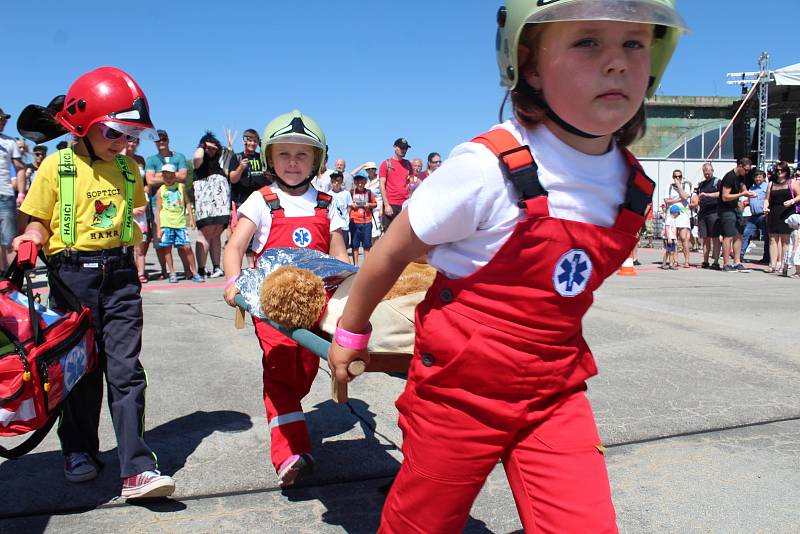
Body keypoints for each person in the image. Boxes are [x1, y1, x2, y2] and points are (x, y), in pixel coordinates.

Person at [327, 2, 686, 532]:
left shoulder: (633, 189)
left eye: (634, 43)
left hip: (555, 393)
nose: (616, 63)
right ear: (530, 66)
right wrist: (351, 333)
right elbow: (390, 251)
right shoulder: (485, 169)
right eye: (588, 42)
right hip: (457, 395)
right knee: (420, 524)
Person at [12, 66, 175, 499]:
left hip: (121, 279)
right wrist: (30, 239)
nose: (124, 144)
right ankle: (79, 450)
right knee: (82, 370)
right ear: (83, 126)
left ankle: (137, 468)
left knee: (125, 370)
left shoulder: (128, 171)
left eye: (130, 136)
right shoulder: (56, 167)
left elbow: (130, 216)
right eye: (115, 133)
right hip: (71, 280)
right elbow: (37, 221)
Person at [222, 110, 347, 488]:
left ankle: (291, 419)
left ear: (317, 161)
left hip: (318, 308)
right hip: (271, 308)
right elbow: (235, 247)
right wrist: (233, 282)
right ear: (270, 158)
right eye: (285, 155)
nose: (293, 163)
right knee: (279, 375)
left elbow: (340, 257)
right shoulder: (260, 201)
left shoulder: (328, 203)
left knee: (305, 371)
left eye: (302, 155)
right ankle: (291, 454)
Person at [145, 129, 188, 279]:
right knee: (162, 240)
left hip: (177, 205)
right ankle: (166, 271)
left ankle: (189, 271)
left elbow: (184, 176)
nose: (161, 142)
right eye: (157, 140)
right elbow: (149, 180)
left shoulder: (179, 157)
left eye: (163, 139)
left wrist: (160, 176)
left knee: (183, 242)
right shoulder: (151, 160)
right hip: (158, 204)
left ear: (168, 140)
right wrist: (171, 176)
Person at [155, 163, 203, 283]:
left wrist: (192, 219)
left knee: (187, 247)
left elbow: (187, 202)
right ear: (162, 176)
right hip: (166, 222)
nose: (168, 178)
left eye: (171, 175)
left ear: (175, 175)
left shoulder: (181, 187)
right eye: (165, 175)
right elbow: (158, 210)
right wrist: (158, 229)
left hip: (180, 223)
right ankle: (172, 272)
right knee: (167, 248)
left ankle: (194, 272)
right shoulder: (160, 190)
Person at [192, 131, 230, 278]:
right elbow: (197, 157)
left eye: (213, 147)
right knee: (205, 233)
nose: (210, 150)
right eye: (207, 147)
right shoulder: (199, 163)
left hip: (220, 203)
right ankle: (201, 268)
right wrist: (203, 144)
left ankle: (216, 267)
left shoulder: (220, 164)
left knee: (216, 234)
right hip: (205, 203)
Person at [0, 107, 27, 271]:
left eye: (4, 119)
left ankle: (10, 280)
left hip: (5, 195)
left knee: (9, 239)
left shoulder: (10, 142)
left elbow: (20, 168)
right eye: (0, 119)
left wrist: (22, 193)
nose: (3, 122)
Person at [718, 158, 755, 272]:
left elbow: (743, 188)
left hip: (736, 208)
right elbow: (725, 196)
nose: (747, 172)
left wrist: (748, 194)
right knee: (728, 235)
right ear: (739, 166)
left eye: (749, 170)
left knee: (738, 234)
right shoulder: (729, 177)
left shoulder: (740, 176)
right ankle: (725, 263)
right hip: (726, 209)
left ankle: (737, 261)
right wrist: (742, 194)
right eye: (746, 169)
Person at [228, 129, 269, 232]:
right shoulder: (237, 157)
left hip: (261, 202)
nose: (252, 143)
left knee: (260, 232)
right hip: (242, 202)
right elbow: (233, 179)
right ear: (244, 141)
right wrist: (241, 167)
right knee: (242, 232)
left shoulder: (262, 158)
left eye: (255, 141)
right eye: (250, 140)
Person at [122, 136, 151, 283]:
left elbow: (145, 183)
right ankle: (127, 271)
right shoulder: (118, 157)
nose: (132, 143)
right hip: (124, 199)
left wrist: (145, 200)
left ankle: (141, 272)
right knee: (126, 243)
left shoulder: (140, 159)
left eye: (135, 141)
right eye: (130, 140)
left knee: (141, 241)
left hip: (140, 200)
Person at [764, 161, 800, 273]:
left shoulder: (792, 182)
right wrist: (765, 207)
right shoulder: (771, 183)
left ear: (786, 171)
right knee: (772, 239)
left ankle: (784, 265)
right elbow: (767, 198)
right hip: (773, 212)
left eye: (782, 170)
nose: (780, 172)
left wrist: (792, 201)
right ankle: (773, 264)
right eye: (778, 170)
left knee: (785, 240)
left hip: (787, 212)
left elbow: (799, 195)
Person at [378, 138, 413, 230]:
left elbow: (411, 184)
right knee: (389, 234)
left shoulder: (408, 164)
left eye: (405, 148)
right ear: (394, 147)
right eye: (401, 148)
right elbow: (381, 185)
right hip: (391, 204)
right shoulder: (386, 164)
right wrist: (386, 205)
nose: (404, 150)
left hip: (405, 204)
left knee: (404, 233)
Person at [663, 170, 692, 267]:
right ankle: (674, 260)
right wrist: (678, 199)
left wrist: (679, 186)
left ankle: (686, 261)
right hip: (672, 213)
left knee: (684, 238)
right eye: (675, 177)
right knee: (673, 237)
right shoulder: (669, 187)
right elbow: (667, 200)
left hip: (683, 213)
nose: (677, 178)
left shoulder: (686, 185)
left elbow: (685, 196)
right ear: (673, 177)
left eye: (679, 176)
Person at [696, 162, 721, 269]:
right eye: (705, 172)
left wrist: (708, 195)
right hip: (703, 213)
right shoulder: (701, 184)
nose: (707, 174)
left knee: (715, 237)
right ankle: (705, 261)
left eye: (708, 172)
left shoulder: (717, 182)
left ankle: (716, 261)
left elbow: (721, 193)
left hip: (714, 212)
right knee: (705, 238)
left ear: (712, 171)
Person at [741, 170, 768, 262]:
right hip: (753, 216)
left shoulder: (767, 187)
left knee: (766, 236)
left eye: (760, 177)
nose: (757, 179)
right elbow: (750, 200)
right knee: (746, 233)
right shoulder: (752, 188)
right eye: (756, 177)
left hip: (763, 215)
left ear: (764, 178)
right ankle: (741, 255)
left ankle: (766, 257)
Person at [349, 174, 376, 264]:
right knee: (355, 245)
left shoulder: (369, 192)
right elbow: (347, 204)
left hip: (367, 221)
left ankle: (366, 265)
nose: (360, 184)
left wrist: (369, 205)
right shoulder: (351, 192)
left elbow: (375, 204)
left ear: (365, 182)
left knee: (367, 245)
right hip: (354, 221)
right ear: (355, 182)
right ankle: (355, 265)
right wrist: (352, 205)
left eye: (362, 182)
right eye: (358, 182)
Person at [329, 172, 352, 254]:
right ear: (331, 181)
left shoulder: (346, 193)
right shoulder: (328, 194)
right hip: (333, 226)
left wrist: (345, 219)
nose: (336, 183)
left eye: (338, 181)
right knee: (332, 249)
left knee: (344, 249)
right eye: (334, 181)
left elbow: (349, 207)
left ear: (342, 182)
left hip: (344, 225)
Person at [661, 205, 679, 269]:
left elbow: (674, 230)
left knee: (672, 252)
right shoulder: (669, 219)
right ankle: (664, 264)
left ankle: (671, 264)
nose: (678, 215)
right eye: (678, 213)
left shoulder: (674, 220)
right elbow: (667, 228)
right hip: (669, 238)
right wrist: (668, 238)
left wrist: (676, 239)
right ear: (675, 212)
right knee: (668, 251)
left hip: (673, 238)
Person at [783, 214, 800, 278]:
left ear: (793, 224)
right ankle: (784, 270)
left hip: (795, 247)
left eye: (789, 223)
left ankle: (798, 272)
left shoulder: (796, 232)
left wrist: (794, 249)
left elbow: (796, 241)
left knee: (797, 261)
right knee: (788, 258)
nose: (788, 224)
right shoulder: (795, 231)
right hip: (792, 247)